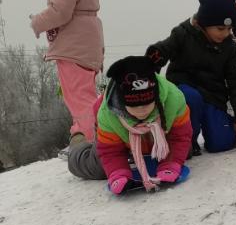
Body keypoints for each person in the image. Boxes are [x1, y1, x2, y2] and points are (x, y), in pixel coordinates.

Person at [30, 0, 105, 154]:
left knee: (77, 96)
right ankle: (89, 133)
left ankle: (90, 142)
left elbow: (60, 12)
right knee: (86, 93)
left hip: (73, 46)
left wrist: (37, 22)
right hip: (89, 43)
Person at [67, 56, 192, 194]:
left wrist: (170, 164)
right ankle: (77, 139)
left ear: (156, 96)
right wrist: (118, 173)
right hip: (119, 136)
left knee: (184, 153)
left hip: (157, 135)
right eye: (135, 106)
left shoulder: (174, 100)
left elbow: (180, 137)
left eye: (146, 104)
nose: (142, 110)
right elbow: (110, 151)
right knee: (99, 168)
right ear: (122, 102)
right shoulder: (108, 115)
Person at [145, 0, 236, 157]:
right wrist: (149, 63)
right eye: (220, 28)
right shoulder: (183, 34)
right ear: (203, 23)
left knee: (220, 143)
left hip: (213, 97)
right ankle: (185, 141)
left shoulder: (230, 48)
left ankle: (226, 129)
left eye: (229, 28)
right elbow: (163, 49)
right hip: (184, 93)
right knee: (191, 98)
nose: (225, 33)